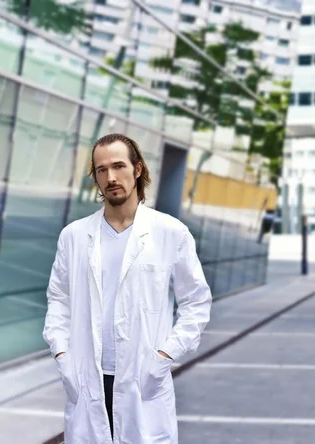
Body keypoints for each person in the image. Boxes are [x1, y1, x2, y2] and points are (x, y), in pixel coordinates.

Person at [43, 133, 212, 444]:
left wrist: (164, 354)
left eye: (118, 166)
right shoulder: (74, 236)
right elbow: (59, 299)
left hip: (143, 377)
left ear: (137, 169)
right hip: (85, 378)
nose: (110, 177)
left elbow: (196, 302)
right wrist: (62, 352)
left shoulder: (170, 232)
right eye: (101, 170)